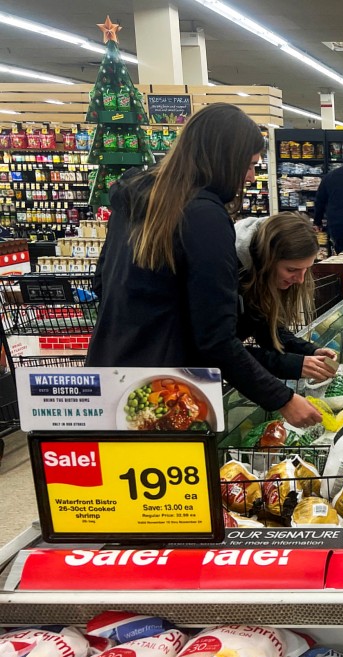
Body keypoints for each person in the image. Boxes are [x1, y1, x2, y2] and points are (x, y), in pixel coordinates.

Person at [87, 103, 323, 428]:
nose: (251, 177)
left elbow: (101, 283)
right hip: (170, 392)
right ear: (225, 157)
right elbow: (214, 337)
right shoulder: (204, 216)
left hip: (111, 374)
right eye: (249, 165)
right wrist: (281, 398)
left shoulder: (135, 199)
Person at [235, 212, 337, 382]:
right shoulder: (228, 275)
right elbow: (221, 351)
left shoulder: (259, 274)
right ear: (267, 259)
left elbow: (267, 329)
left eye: (306, 269)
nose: (300, 280)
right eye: (291, 270)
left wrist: (309, 351)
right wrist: (294, 365)